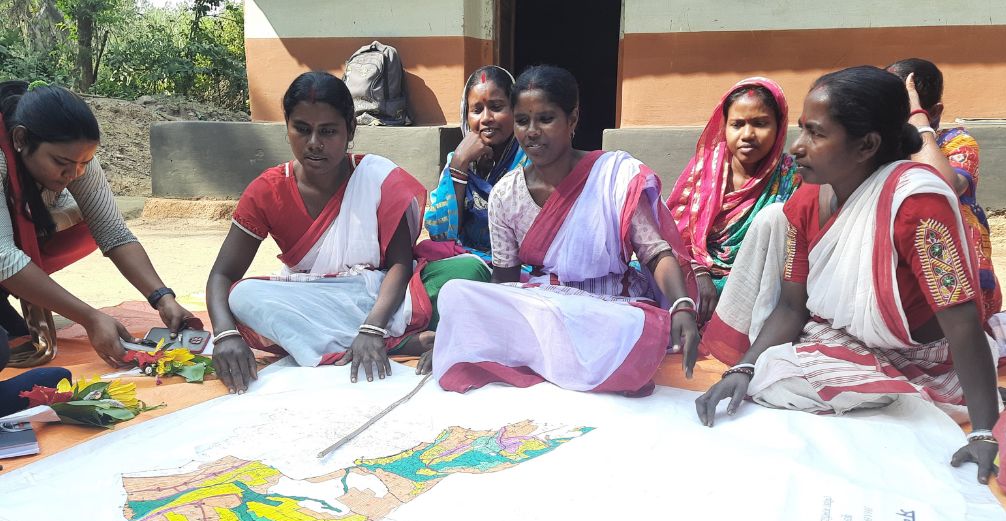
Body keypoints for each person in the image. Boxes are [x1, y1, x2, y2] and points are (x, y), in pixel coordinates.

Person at [695, 66, 1000, 485]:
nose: (796, 149)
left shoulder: (916, 203)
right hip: (845, 340)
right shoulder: (807, 200)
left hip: (919, 355)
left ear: (867, 145)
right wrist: (742, 370)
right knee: (771, 377)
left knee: (792, 384)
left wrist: (984, 430)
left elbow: (962, 320)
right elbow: (790, 304)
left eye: (816, 134)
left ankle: (950, 393)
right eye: (801, 131)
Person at [206, 71, 485, 393]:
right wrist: (224, 335)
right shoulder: (267, 191)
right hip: (318, 296)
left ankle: (368, 337)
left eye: (328, 131)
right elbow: (222, 276)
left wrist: (372, 326)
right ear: (287, 128)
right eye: (302, 129)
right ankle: (402, 342)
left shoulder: (377, 178)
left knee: (470, 270)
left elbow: (398, 264)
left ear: (350, 130)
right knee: (243, 296)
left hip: (384, 295)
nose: (314, 144)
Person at [431, 65, 700, 395]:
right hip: (548, 306)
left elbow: (656, 253)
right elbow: (506, 284)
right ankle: (578, 362)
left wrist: (681, 305)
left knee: (629, 327)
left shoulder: (613, 175)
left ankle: (586, 360)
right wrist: (465, 334)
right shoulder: (506, 194)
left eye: (545, 119)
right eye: (522, 120)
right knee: (457, 293)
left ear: (572, 120)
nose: (532, 131)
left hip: (609, 308)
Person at [0, 81, 195, 367]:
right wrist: (90, 317)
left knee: (15, 342)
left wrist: (162, 297)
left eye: (84, 163)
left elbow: (113, 232)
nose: (73, 174)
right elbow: (3, 256)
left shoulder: (76, 162)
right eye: (60, 162)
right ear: (20, 139)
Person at [666, 78, 801, 322]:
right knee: (645, 276)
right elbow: (674, 234)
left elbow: (791, 249)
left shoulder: (790, 177)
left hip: (752, 279)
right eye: (737, 124)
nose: (748, 134)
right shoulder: (705, 169)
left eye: (760, 124)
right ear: (724, 126)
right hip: (696, 272)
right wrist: (698, 271)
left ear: (779, 126)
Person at [887, 58, 1002, 320]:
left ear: (935, 111)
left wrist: (916, 117)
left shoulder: (956, 143)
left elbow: (942, 184)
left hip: (961, 287)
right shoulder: (878, 144)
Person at [423, 66, 528, 260]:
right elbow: (440, 237)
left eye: (496, 107)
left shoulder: (528, 162)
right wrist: (460, 165)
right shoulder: (458, 160)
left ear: (515, 110)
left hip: (517, 267)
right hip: (466, 260)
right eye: (477, 110)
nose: (486, 118)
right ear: (466, 115)